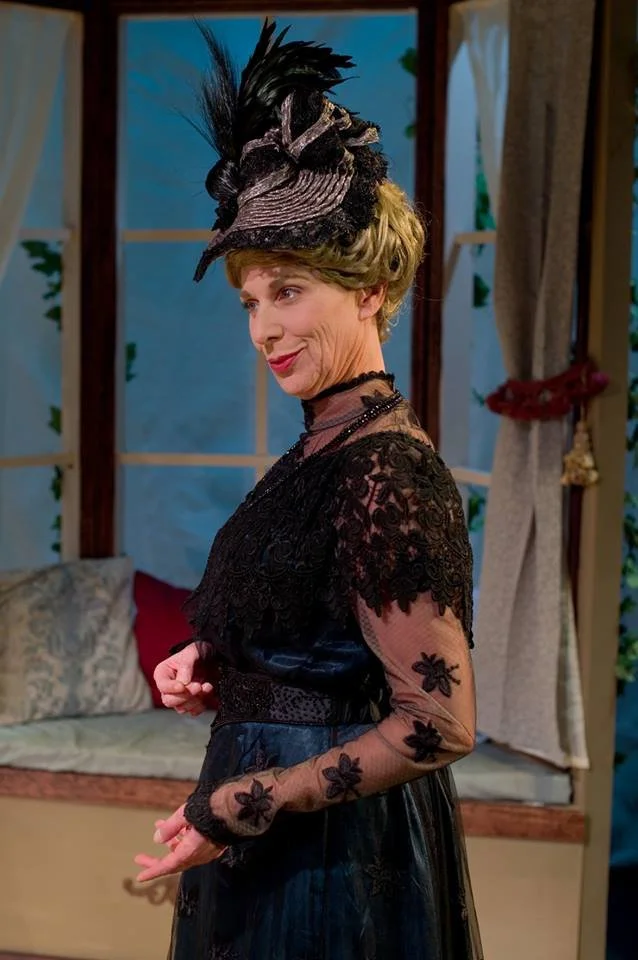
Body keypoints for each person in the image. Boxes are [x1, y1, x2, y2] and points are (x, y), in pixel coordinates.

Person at [135, 19, 482, 960]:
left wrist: (245, 802)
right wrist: (216, 658)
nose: (263, 330)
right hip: (266, 833)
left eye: (288, 292)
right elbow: (318, 628)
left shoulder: (385, 467)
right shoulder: (322, 448)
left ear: (368, 289)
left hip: (332, 862)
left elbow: (438, 725)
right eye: (252, 302)